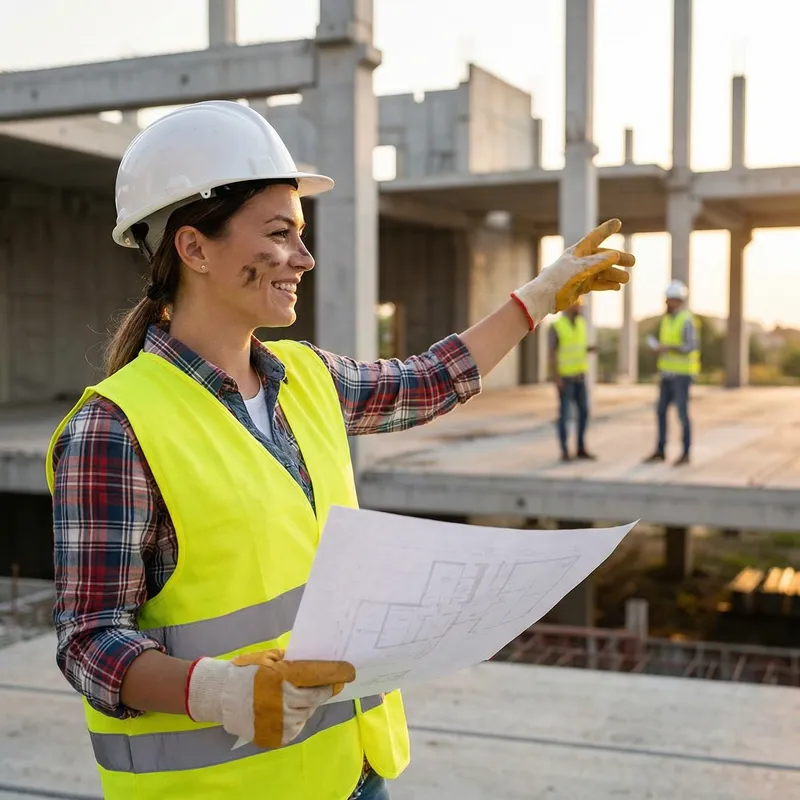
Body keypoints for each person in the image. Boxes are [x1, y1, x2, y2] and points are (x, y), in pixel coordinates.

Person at [46, 100, 635, 800]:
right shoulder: (116, 427)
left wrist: (538, 297)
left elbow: (430, 379)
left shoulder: (306, 376)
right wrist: (215, 691)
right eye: (280, 234)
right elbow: (88, 641)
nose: (305, 257)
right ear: (194, 248)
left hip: (353, 773)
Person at [644, 278, 700, 466]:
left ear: (679, 300)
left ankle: (686, 453)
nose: (667, 302)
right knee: (660, 412)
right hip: (667, 374)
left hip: (682, 376)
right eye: (667, 299)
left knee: (682, 414)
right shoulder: (667, 320)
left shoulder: (686, 320)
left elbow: (690, 346)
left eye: (670, 299)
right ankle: (660, 450)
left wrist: (668, 347)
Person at [549, 298, 597, 461]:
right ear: (568, 306)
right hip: (566, 378)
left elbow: (577, 347)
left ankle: (581, 448)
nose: (580, 307)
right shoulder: (557, 326)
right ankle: (564, 450)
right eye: (577, 304)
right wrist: (556, 378)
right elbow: (552, 354)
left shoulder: (581, 323)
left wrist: (589, 349)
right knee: (565, 415)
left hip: (580, 377)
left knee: (584, 412)